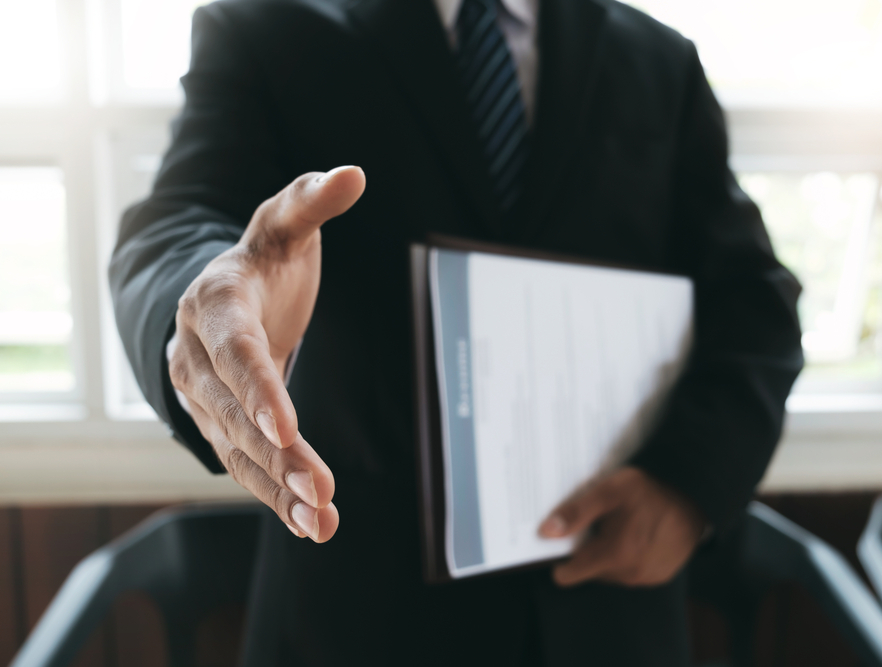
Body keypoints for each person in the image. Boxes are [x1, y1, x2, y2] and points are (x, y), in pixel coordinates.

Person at [109, 0, 803, 664]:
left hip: (609, 616)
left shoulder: (660, 59)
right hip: (361, 621)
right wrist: (210, 296)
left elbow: (753, 300)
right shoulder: (263, 31)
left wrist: (687, 483)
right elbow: (176, 223)